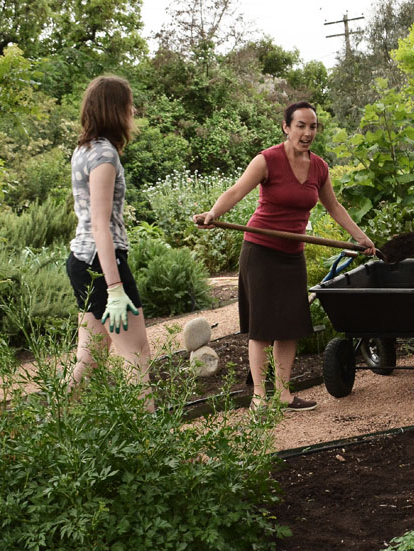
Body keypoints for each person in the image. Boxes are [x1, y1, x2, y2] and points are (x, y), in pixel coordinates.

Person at [194, 101, 375, 412]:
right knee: (263, 328)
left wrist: (360, 237)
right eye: (301, 126)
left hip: (293, 254)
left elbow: (334, 207)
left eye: (312, 126)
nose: (307, 132)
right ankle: (259, 398)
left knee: (290, 325)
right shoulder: (267, 160)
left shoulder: (319, 167)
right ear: (286, 127)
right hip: (261, 250)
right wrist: (214, 212)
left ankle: (283, 393)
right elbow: (237, 191)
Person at [66, 74, 154, 410]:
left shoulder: (84, 149)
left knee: (89, 358)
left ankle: (55, 430)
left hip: (83, 260)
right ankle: (152, 445)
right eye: (129, 104)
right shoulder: (103, 156)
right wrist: (115, 289)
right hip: (101, 263)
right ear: (116, 109)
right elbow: (100, 225)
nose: (132, 111)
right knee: (138, 355)